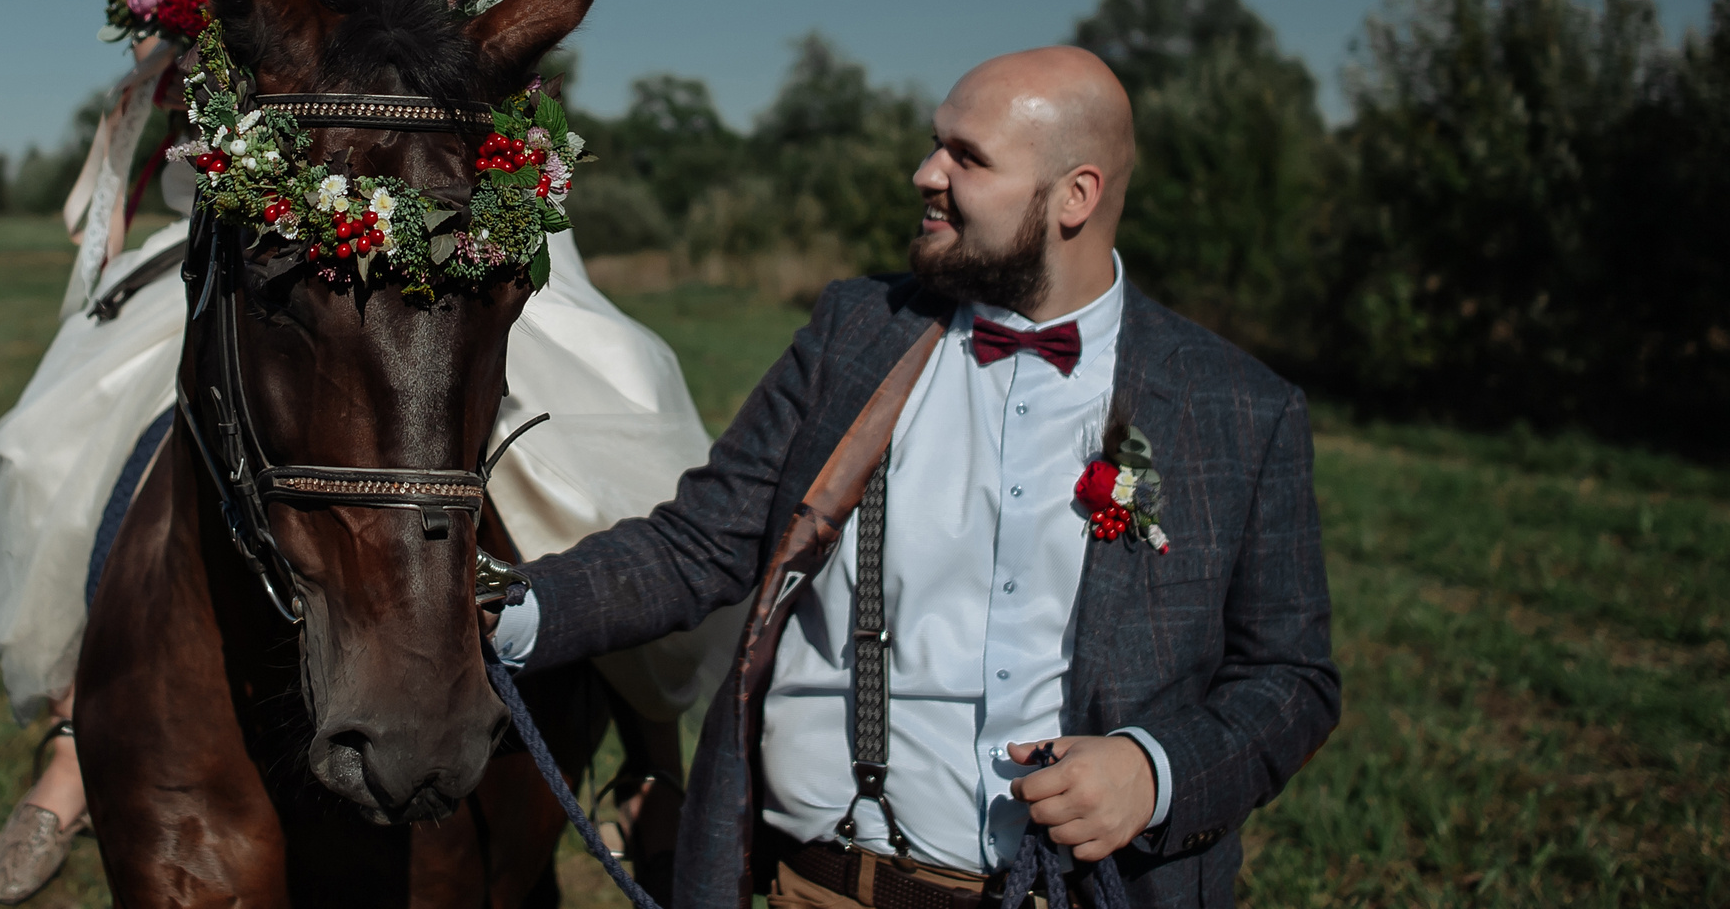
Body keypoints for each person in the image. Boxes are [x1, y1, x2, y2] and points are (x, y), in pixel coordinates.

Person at [0, 0, 728, 902]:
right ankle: (75, 730)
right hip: (255, 210)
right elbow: (195, 58)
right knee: (52, 442)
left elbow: (485, 54)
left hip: (429, 211)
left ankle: (652, 750)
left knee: (630, 422)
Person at [490, 47, 1339, 908]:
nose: (923, 173)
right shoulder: (855, 333)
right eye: (937, 145)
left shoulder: (1237, 409)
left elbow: (1292, 678)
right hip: (823, 887)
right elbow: (697, 545)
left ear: (1075, 197)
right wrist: (502, 607)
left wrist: (1154, 773)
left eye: (967, 158)